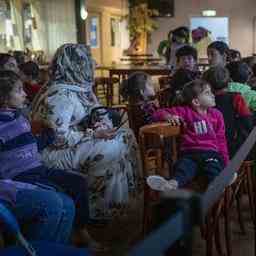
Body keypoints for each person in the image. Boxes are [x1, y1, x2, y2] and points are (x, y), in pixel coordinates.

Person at [31, 44, 143, 227]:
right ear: (76, 65)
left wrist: (102, 124)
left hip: (73, 142)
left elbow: (97, 113)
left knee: (125, 135)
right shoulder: (60, 94)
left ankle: (116, 204)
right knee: (109, 147)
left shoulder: (80, 89)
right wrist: (92, 133)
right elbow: (57, 138)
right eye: (87, 61)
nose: (94, 63)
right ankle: (97, 212)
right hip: (51, 152)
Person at [0, 70, 101, 251]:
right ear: (4, 98)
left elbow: (29, 147)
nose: (24, 94)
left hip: (37, 169)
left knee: (75, 187)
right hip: (19, 177)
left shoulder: (20, 118)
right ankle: (35, 249)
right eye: (18, 90)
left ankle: (58, 246)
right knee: (59, 202)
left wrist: (49, 136)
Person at [150, 79, 229, 190]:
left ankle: (219, 181)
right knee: (183, 169)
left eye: (211, 92)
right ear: (196, 102)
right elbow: (157, 114)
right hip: (189, 154)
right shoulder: (185, 111)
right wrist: (169, 117)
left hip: (211, 154)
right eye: (207, 93)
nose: (212, 95)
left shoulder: (217, 115)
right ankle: (171, 184)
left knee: (214, 168)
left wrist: (226, 165)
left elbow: (221, 141)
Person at [0, 180, 75, 243]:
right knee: (51, 203)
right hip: (5, 194)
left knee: (68, 204)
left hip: (8, 186)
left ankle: (52, 250)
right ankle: (38, 250)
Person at [203, 66, 253, 157]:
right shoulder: (236, 98)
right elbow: (247, 122)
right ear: (229, 81)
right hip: (235, 147)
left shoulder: (204, 102)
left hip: (209, 146)